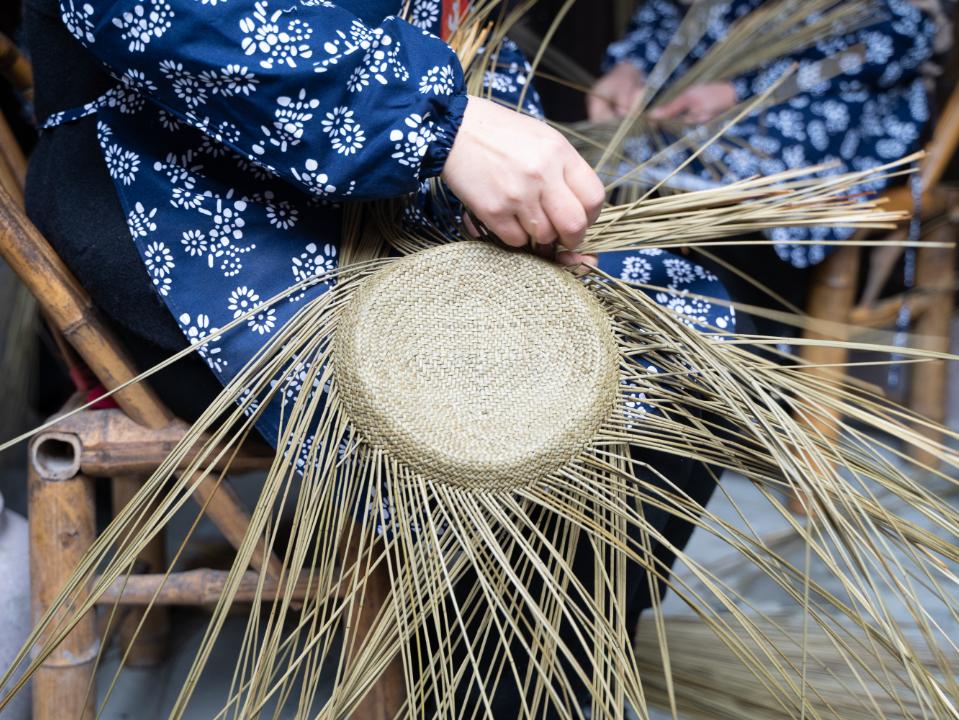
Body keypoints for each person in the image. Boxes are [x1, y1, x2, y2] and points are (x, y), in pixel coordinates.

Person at [24, 0, 731, 714]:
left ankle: (529, 685)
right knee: (511, 418)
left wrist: (490, 133)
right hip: (189, 189)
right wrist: (433, 121)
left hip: (403, 170)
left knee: (670, 352)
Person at [589, 0, 951, 320]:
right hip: (675, 119)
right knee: (612, 179)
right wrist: (631, 66)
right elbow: (666, 14)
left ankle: (727, 341)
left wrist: (743, 88)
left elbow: (898, 38)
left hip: (806, 127)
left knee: (738, 200)